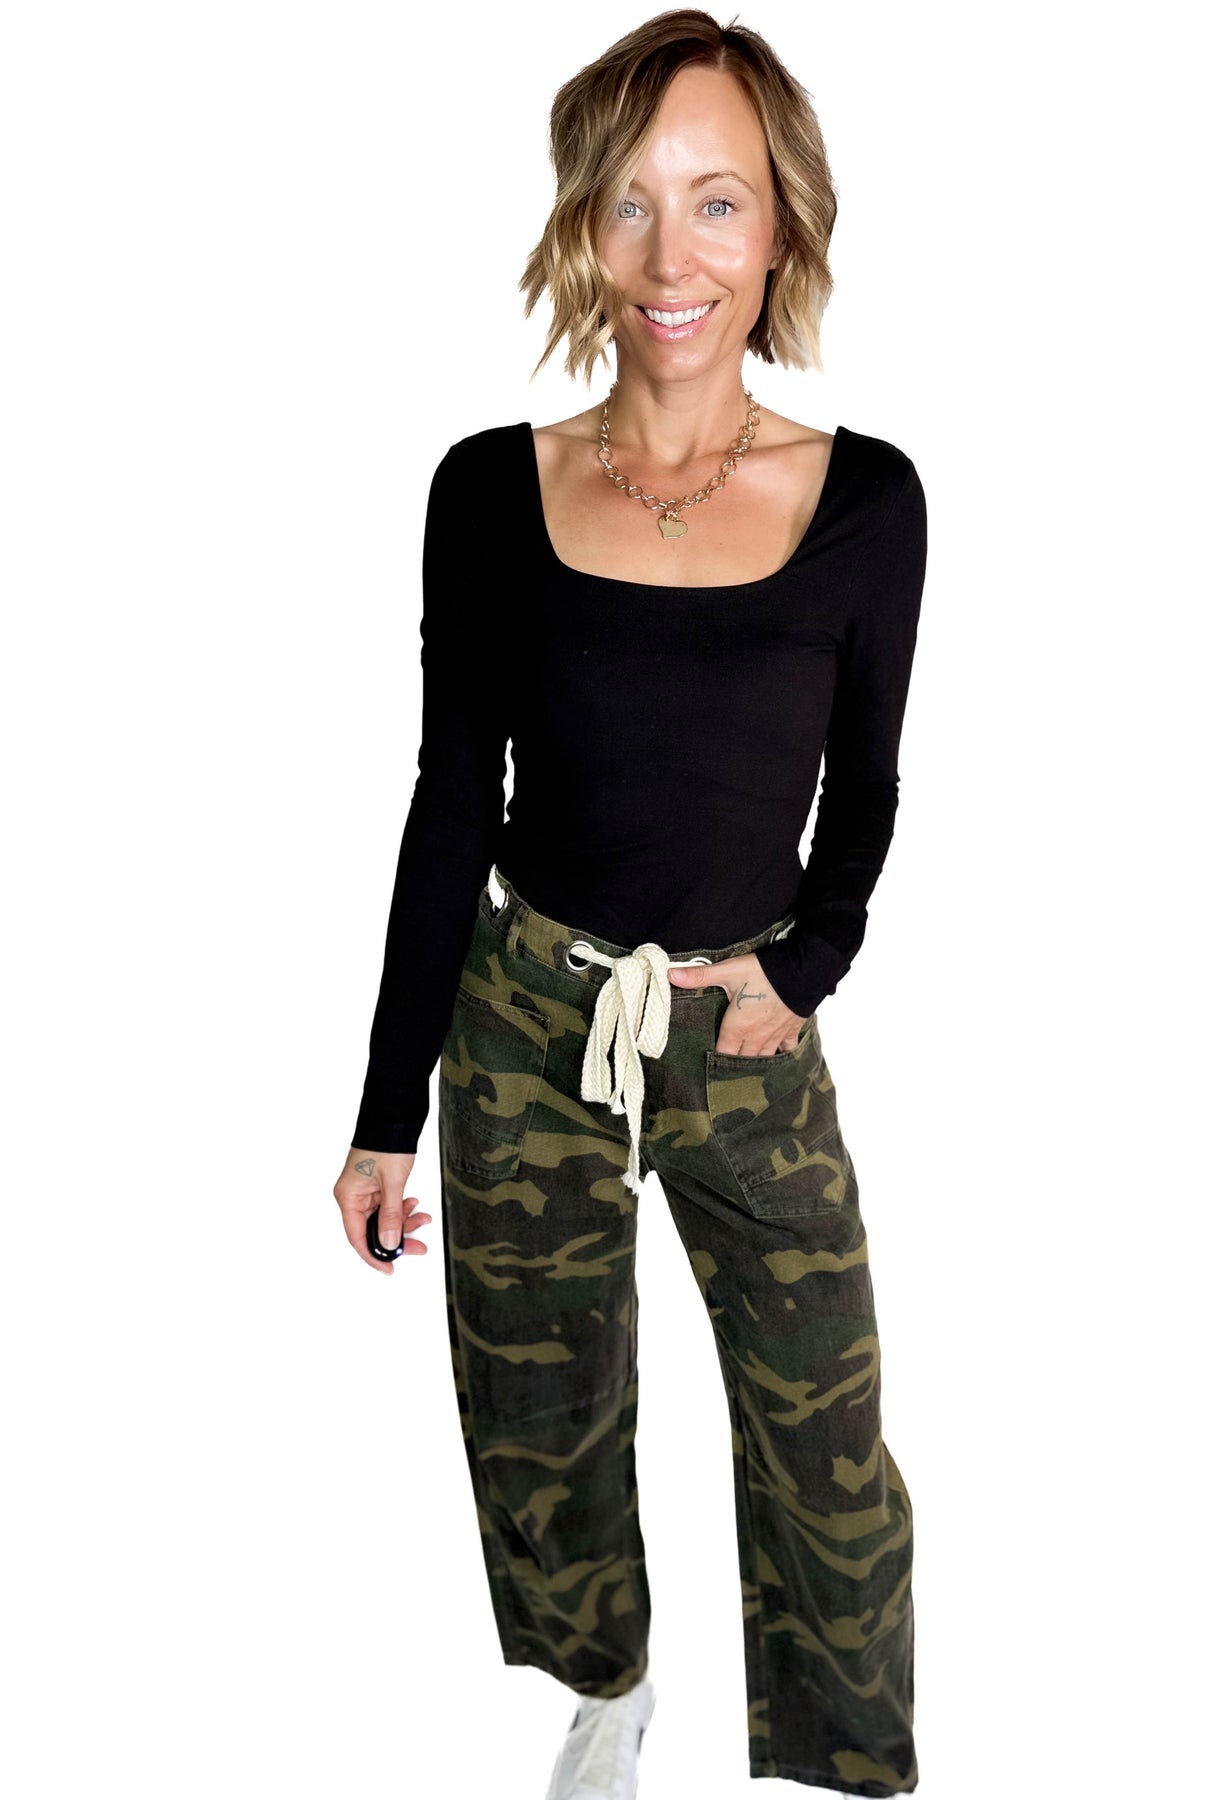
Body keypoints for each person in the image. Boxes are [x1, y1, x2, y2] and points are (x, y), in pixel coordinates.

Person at [332, 11, 928, 1797]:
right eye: (630, 204)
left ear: (780, 225)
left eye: (717, 202)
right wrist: (382, 1115)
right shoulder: (486, 488)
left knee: (825, 1432)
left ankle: (840, 1758)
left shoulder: (865, 500)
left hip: (739, 1033)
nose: (672, 259)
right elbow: (453, 802)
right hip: (528, 1020)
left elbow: (866, 787)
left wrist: (804, 970)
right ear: (582, 226)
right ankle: (607, 1682)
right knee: (541, 1408)